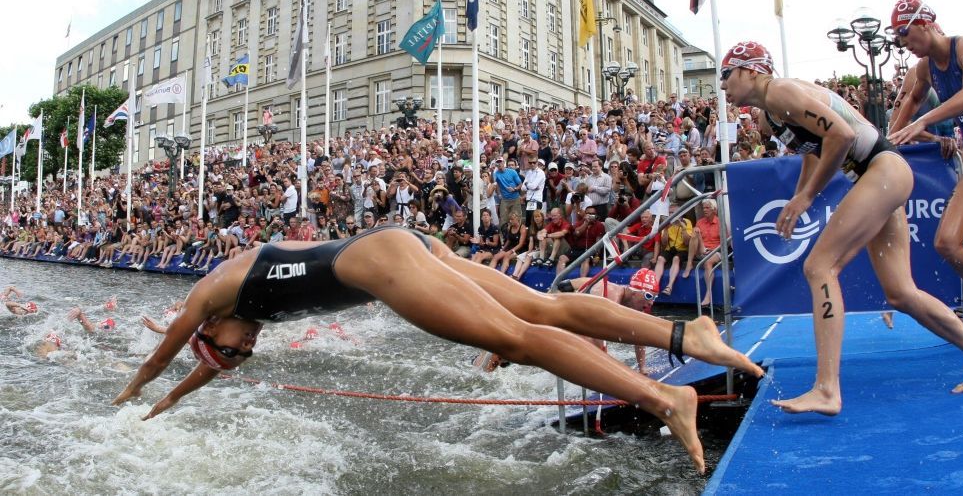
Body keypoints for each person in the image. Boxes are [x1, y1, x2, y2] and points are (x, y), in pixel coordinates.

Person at [113, 227, 765, 474]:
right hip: (406, 246)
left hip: (384, 264)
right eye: (242, 358)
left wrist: (134, 391)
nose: (244, 350)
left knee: (519, 339)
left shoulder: (210, 295)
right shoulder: (232, 315)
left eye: (233, 351)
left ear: (210, 332)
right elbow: (199, 368)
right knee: (540, 308)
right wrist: (165, 406)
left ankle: (662, 398)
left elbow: (163, 356)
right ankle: (685, 335)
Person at [719, 40, 963, 415]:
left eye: (725, 75)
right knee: (900, 292)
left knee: (819, 267)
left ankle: (827, 390)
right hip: (880, 174)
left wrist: (806, 199)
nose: (721, 86)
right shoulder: (770, 114)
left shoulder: (782, 91)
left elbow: (842, 136)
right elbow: (811, 155)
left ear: (750, 70)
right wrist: (799, 198)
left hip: (882, 171)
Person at [886, 0, 963, 343]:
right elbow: (909, 104)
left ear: (924, 24)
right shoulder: (923, 69)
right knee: (946, 243)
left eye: (906, 36)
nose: (905, 45)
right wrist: (888, 144)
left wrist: (922, 123)